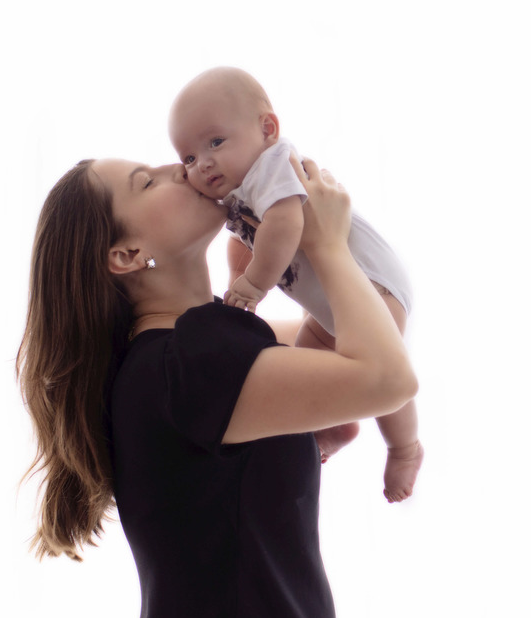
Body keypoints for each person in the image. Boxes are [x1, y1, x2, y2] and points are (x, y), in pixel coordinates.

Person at [16, 153, 418, 618]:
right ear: (126, 256)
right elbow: (387, 379)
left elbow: (351, 354)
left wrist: (284, 245)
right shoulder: (187, 366)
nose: (177, 167)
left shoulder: (188, 350)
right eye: (145, 182)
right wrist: (330, 247)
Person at [169, 67, 423, 503]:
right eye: (189, 158)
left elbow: (285, 225)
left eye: (215, 142)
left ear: (267, 129)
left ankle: (404, 448)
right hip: (328, 305)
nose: (203, 163)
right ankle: (335, 424)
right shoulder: (237, 188)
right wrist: (238, 270)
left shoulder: (273, 164)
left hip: (372, 286)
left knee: (384, 375)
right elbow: (248, 238)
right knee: (311, 364)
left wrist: (252, 285)